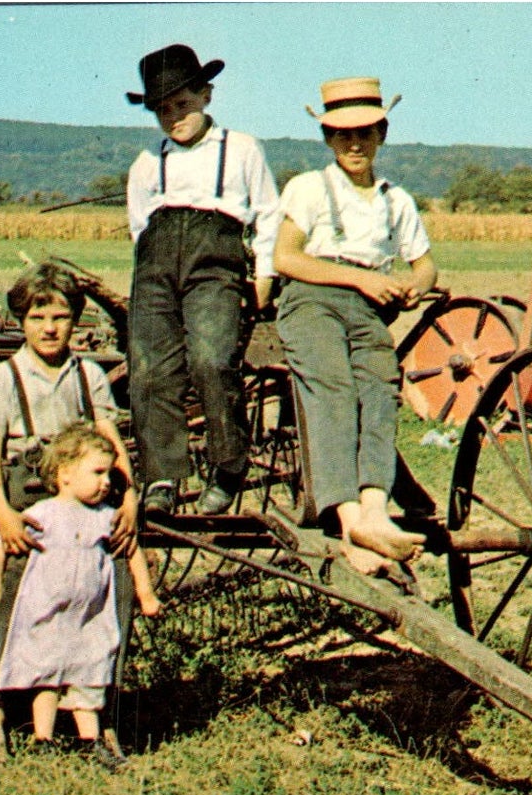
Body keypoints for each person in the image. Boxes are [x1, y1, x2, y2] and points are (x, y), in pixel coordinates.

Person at [0, 261, 139, 758]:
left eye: (60, 317)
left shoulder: (89, 375)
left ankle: (101, 712)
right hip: (28, 491)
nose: (49, 328)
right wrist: (0, 509)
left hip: (85, 493)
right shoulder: (5, 376)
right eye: (38, 317)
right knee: (21, 583)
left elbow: (110, 436)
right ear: (22, 320)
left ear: (75, 321)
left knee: (117, 577)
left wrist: (128, 497)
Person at [272, 77, 438, 576]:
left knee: (380, 391)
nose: (354, 143)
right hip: (312, 299)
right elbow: (285, 258)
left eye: (365, 132)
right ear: (327, 139)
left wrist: (414, 284)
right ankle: (347, 518)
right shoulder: (308, 188)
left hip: (369, 312)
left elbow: (426, 264)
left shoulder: (396, 200)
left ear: (381, 134)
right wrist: (360, 279)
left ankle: (373, 511)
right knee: (334, 390)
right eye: (342, 134)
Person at [124, 43, 283, 516]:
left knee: (212, 360)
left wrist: (266, 275)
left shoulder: (242, 150)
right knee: (151, 371)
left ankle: (229, 465)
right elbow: (139, 230)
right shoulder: (147, 164)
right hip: (155, 268)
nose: (175, 116)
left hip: (215, 262)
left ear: (206, 96)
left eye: (183, 104)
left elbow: (269, 215)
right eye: (163, 110)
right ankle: (162, 477)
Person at [0, 422, 162, 767]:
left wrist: (145, 593)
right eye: (98, 473)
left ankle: (91, 739)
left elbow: (130, 552)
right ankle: (44, 737)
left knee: (90, 670)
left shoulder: (105, 517)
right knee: (48, 673)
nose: (107, 482)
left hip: (90, 615)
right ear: (66, 473)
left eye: (110, 475)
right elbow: (2, 543)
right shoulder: (44, 513)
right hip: (49, 610)